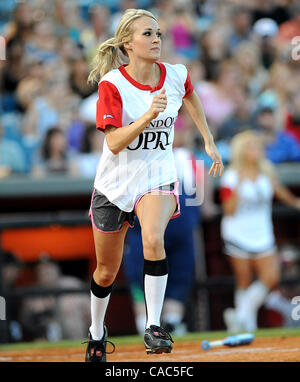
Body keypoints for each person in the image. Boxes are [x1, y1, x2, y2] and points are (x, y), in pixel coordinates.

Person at [84, 8, 223, 362]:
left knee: (152, 238)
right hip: (115, 185)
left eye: (158, 33)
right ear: (127, 43)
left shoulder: (176, 75)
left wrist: (207, 139)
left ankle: (155, 325)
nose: (157, 39)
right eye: (147, 34)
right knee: (106, 271)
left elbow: (190, 95)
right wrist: (148, 115)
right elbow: (114, 143)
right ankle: (97, 334)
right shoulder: (112, 84)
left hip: (157, 176)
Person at [220, 130, 300, 333]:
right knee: (244, 280)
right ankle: (249, 325)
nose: (258, 150)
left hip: (263, 233)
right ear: (242, 151)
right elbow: (229, 210)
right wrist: (239, 183)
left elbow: (282, 192)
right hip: (237, 233)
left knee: (271, 276)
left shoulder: (267, 171)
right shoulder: (230, 176)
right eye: (252, 146)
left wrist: (296, 203)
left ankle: (240, 317)